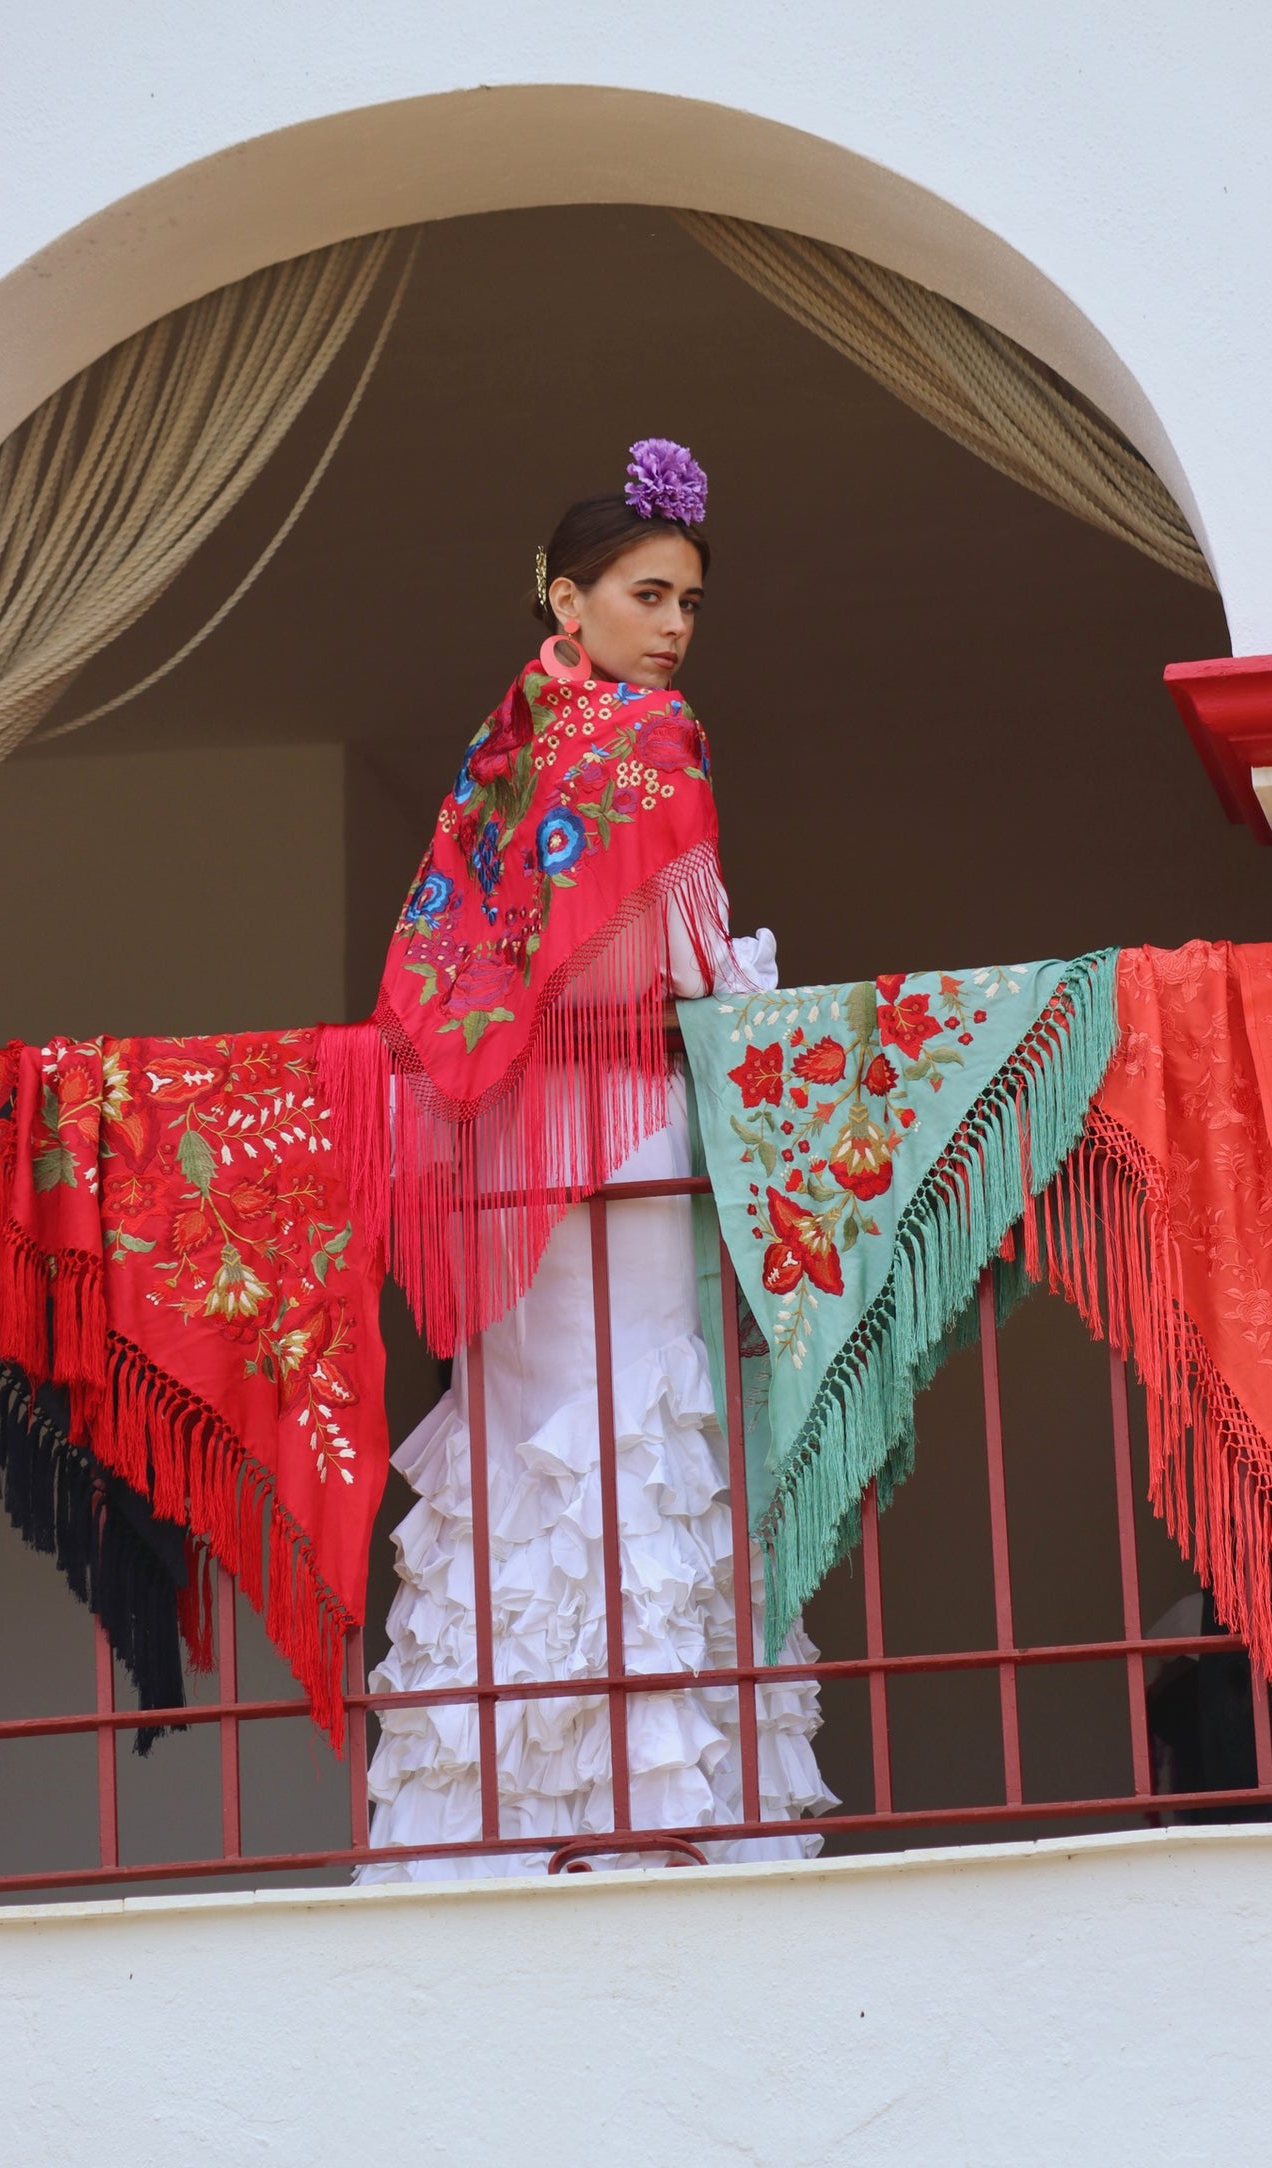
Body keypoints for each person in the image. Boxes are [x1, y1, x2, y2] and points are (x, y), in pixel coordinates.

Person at [355, 443, 834, 1878]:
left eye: (686, 598)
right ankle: (657, 1796)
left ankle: (495, 1817)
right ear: (564, 599)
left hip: (502, 1128)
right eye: (645, 593)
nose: (673, 625)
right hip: (618, 1120)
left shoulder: (501, 748)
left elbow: (458, 949)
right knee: (640, 1415)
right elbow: (684, 956)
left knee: (526, 1427)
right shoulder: (651, 736)